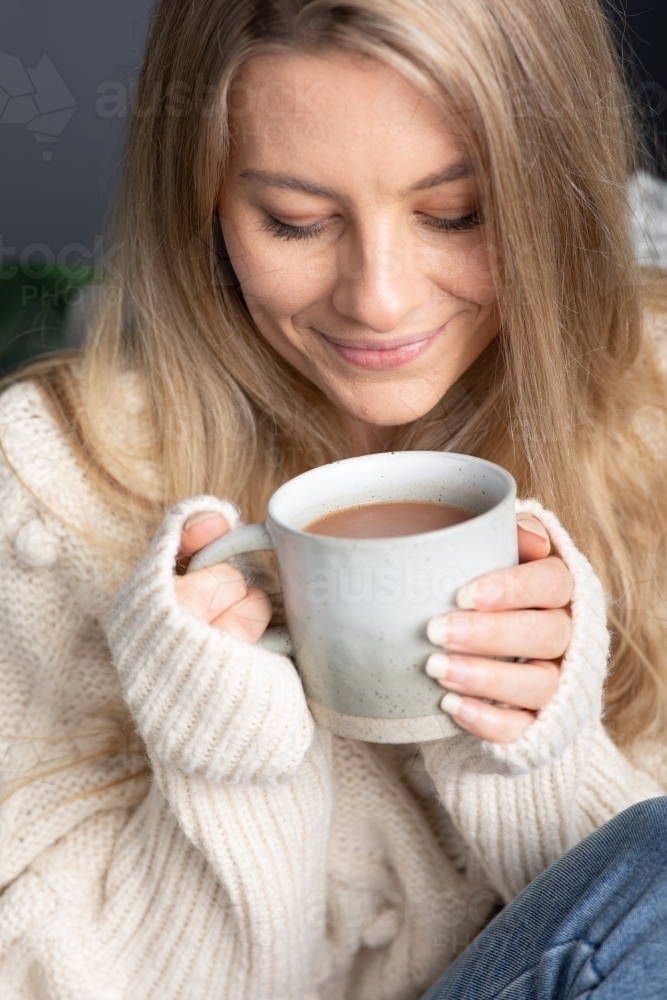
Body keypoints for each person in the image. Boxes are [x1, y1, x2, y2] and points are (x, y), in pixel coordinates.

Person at [1, 0, 666, 997]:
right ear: (205, 201)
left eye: (456, 213)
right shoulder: (49, 481)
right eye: (296, 220)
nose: (380, 300)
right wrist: (226, 771)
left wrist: (535, 761)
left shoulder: (647, 405)